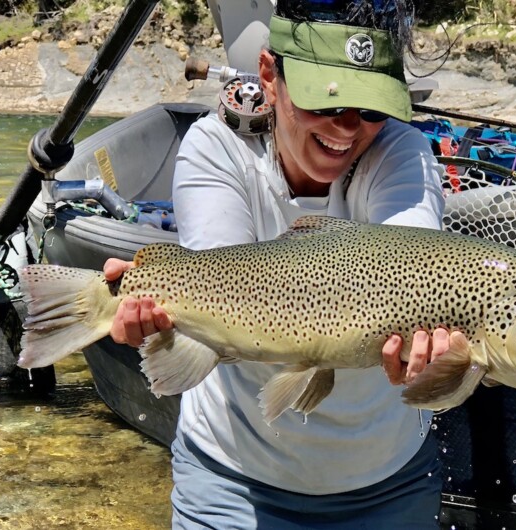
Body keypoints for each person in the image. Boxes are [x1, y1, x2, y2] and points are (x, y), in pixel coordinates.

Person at [104, 1, 460, 527]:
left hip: (389, 482)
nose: (348, 127)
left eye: (372, 109)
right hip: (231, 483)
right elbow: (219, 297)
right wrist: (155, 316)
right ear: (270, 76)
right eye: (327, 103)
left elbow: (410, 266)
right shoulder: (215, 149)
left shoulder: (403, 151)